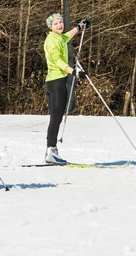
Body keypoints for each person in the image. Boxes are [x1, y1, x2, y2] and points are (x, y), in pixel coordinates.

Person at [43, 12, 91, 164]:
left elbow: (67, 37)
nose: (60, 25)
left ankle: (51, 150)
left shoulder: (59, 37)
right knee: (56, 117)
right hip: (56, 82)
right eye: (56, 24)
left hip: (54, 82)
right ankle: (51, 150)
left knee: (55, 117)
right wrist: (73, 71)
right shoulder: (51, 41)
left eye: (61, 22)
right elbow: (56, 60)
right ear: (51, 26)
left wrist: (79, 27)